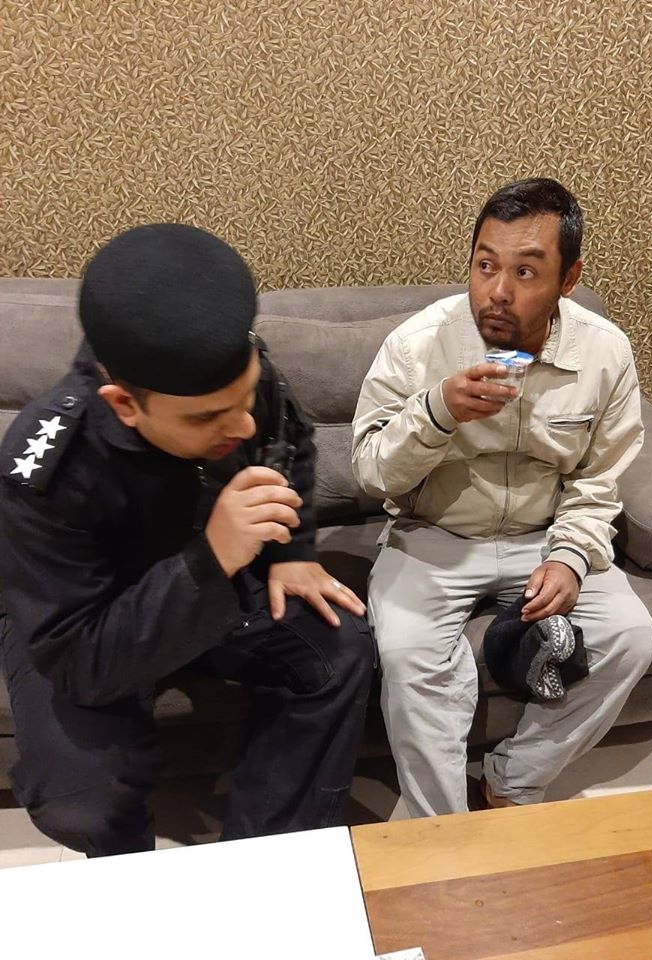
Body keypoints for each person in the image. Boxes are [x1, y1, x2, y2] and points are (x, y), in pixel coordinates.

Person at [0, 223, 375, 856]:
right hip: (97, 625)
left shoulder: (231, 370)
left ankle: (262, 862)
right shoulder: (47, 469)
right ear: (124, 404)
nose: (243, 424)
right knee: (83, 799)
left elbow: (288, 441)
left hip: (217, 591)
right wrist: (210, 558)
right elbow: (80, 663)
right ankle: (140, 880)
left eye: (245, 398)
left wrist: (293, 553)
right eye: (208, 418)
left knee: (339, 645)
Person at [352, 178, 652, 816]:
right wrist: (437, 411)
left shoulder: (605, 352)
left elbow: (599, 478)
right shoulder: (416, 345)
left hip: (543, 535)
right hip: (432, 536)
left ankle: (513, 781)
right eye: (485, 265)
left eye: (525, 271)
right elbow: (372, 472)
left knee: (630, 635)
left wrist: (570, 557)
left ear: (568, 280)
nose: (497, 291)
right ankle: (442, 828)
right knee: (408, 656)